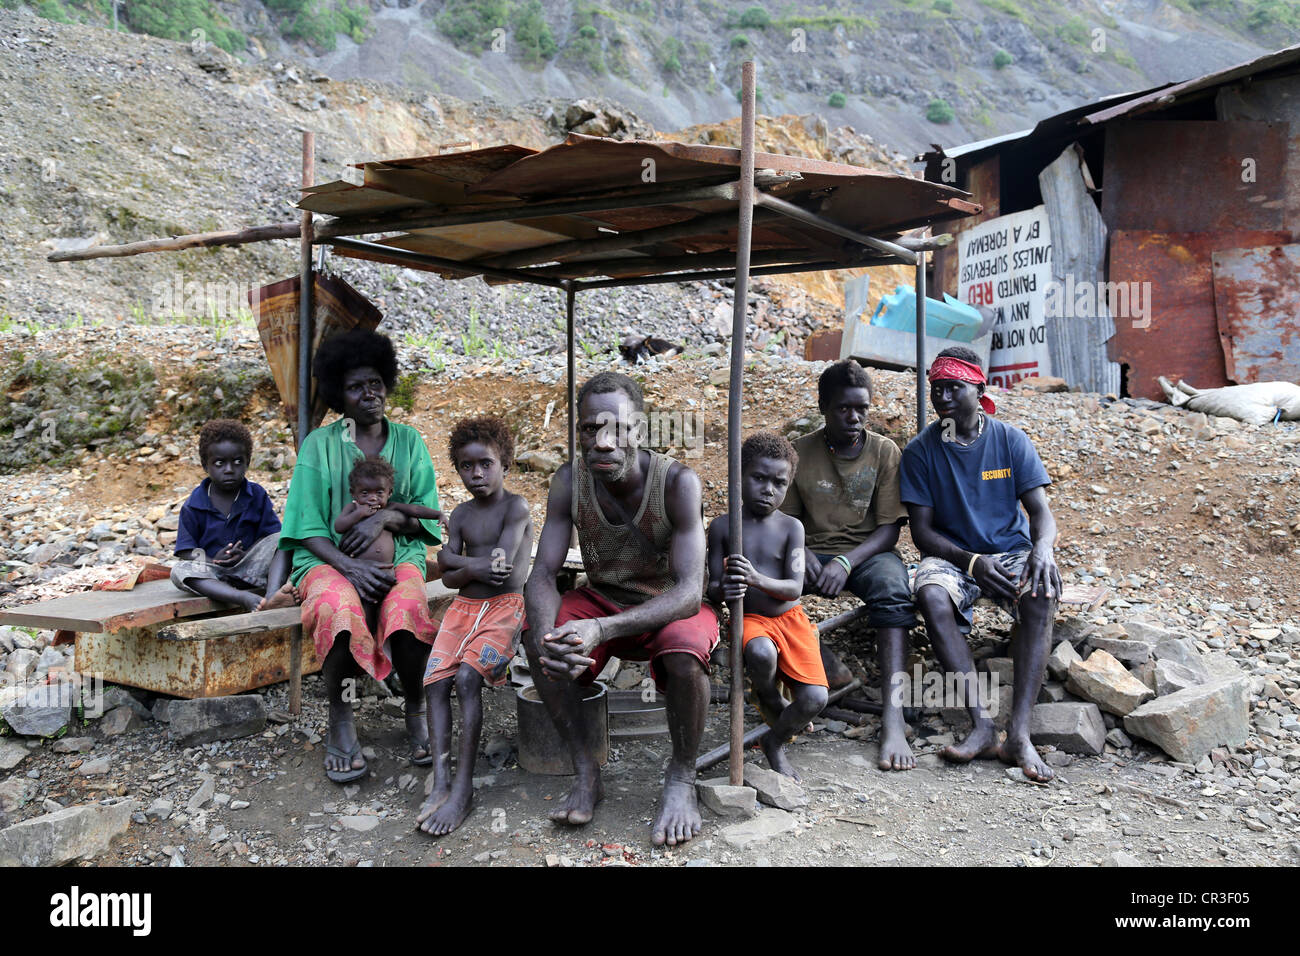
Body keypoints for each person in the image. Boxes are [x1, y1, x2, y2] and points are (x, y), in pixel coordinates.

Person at [524, 371, 717, 846]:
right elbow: (543, 575)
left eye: (617, 428)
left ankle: (681, 775)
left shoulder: (677, 483)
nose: (603, 442)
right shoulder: (569, 481)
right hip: (604, 598)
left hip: (668, 604)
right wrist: (550, 637)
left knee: (684, 655)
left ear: (640, 431)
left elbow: (691, 592)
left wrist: (602, 629)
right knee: (539, 639)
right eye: (590, 429)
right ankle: (586, 769)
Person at [279, 329, 443, 784]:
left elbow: (426, 522)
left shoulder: (409, 441)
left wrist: (385, 519)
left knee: (408, 609)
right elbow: (304, 525)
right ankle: (342, 717)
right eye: (355, 387)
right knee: (339, 609)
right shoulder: (318, 445)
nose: (369, 394)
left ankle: (415, 708)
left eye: (375, 382)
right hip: (328, 561)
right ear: (339, 395)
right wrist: (347, 566)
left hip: (399, 555)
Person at [899, 346, 1061, 782]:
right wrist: (971, 563)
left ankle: (1020, 735)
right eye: (937, 389)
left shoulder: (1010, 440)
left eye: (955, 387)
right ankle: (983, 724)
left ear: (979, 388)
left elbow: (1041, 514)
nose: (944, 397)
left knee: (1042, 591)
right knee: (931, 594)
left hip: (1009, 551)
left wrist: (1042, 549)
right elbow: (922, 533)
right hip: (954, 556)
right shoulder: (920, 452)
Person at [780, 360, 918, 771]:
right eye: (843, 408)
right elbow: (785, 521)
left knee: (894, 592)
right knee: (764, 587)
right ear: (823, 407)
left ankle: (892, 718)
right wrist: (803, 554)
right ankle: (823, 668)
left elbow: (890, 529)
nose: (854, 417)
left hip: (867, 552)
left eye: (862, 408)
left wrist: (845, 561)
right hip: (809, 549)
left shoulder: (884, 451)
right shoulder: (801, 452)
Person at [416, 417, 532, 837]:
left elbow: (499, 569)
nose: (476, 474)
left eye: (485, 464)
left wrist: (460, 564)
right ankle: (442, 779)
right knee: (434, 681)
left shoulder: (514, 507)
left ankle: (463, 788)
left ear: (505, 463)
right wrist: (469, 567)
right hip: (465, 606)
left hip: (505, 607)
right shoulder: (462, 514)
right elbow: (446, 578)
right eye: (467, 467)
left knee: (466, 679)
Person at [707, 432, 826, 781]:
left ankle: (775, 741)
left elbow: (794, 588)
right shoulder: (723, 527)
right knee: (760, 654)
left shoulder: (792, 528)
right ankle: (767, 696)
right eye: (759, 478)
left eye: (779, 483)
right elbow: (714, 588)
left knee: (815, 699)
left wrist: (757, 578)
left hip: (789, 618)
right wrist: (724, 587)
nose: (768, 490)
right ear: (740, 475)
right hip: (751, 619)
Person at [171, 419, 296, 612]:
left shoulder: (257, 495)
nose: (229, 469)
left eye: (237, 461)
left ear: (247, 462)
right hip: (214, 572)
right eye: (220, 463)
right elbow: (186, 550)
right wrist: (213, 560)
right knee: (180, 570)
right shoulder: (193, 505)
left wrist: (245, 554)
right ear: (205, 465)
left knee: (284, 539)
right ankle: (242, 597)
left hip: (250, 567)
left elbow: (270, 539)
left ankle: (272, 595)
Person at [334, 454, 443, 636]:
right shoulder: (352, 508)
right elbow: (339, 526)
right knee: (365, 615)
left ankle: (385, 650)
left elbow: (415, 510)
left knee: (389, 612)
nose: (372, 499)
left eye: (379, 493)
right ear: (353, 493)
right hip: (361, 574)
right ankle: (367, 650)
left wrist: (437, 514)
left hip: (387, 573)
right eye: (365, 493)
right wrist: (358, 513)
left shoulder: (390, 508)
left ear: (389, 493)